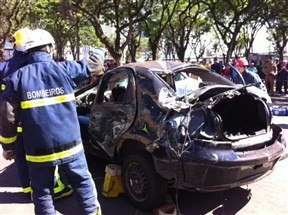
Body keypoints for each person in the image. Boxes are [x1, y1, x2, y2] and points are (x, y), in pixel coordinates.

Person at [0, 28, 102, 215]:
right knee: (82, 183)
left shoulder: (15, 79)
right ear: (48, 48)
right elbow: (95, 65)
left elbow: (7, 118)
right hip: (71, 145)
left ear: (27, 51)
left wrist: (8, 146)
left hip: (38, 150)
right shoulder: (65, 69)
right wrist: (101, 50)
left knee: (42, 193)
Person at [0, 28, 72, 200]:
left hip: (12, 122)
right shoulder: (31, 65)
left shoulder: (3, 68)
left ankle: (28, 190)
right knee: (42, 160)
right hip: (33, 121)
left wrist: (6, 145)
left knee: (20, 158)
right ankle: (53, 189)